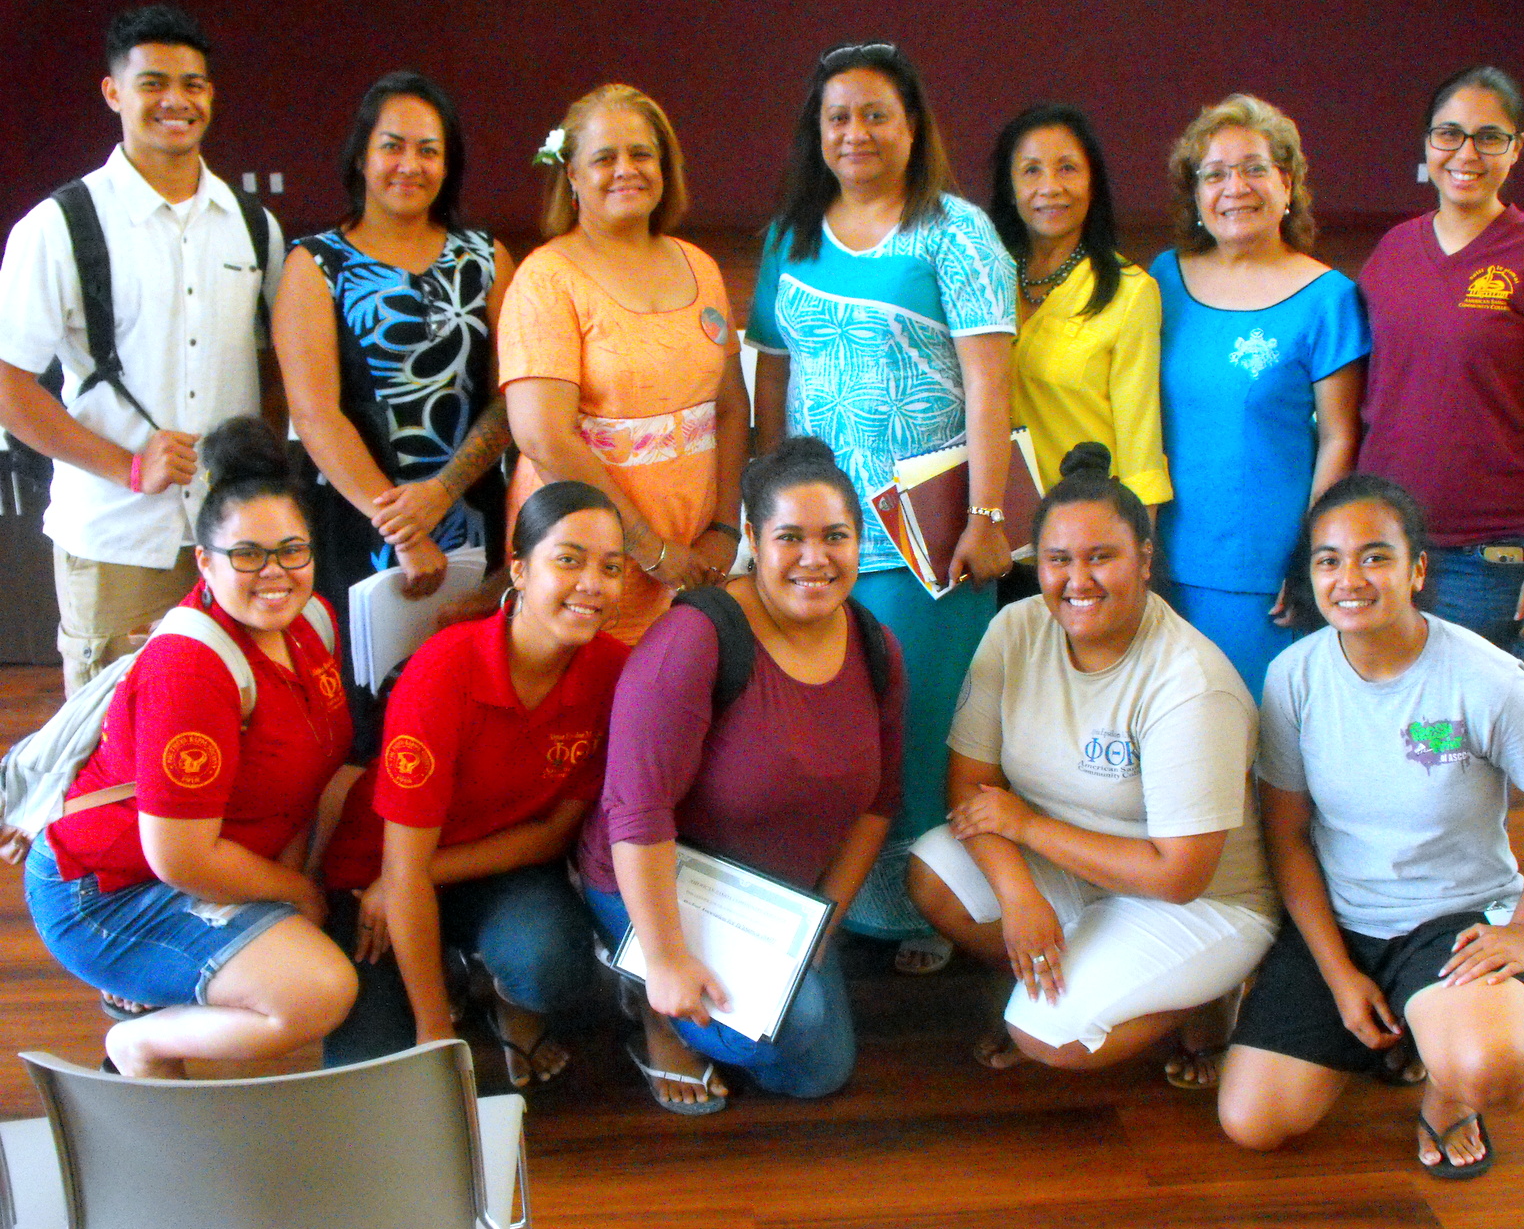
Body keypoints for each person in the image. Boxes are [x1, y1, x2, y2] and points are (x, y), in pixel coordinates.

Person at [1219, 474, 1524, 1179]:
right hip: (1344, 917)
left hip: (1450, 921)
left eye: (1375, 556)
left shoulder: (1489, 679)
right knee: (1252, 1121)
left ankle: (1446, 1092)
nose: (1349, 577)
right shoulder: (1293, 677)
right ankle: (1402, 1028)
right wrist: (1337, 974)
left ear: (1417, 569)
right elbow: (1288, 836)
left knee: (1498, 1067)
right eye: (1328, 559)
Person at [747, 42, 1016, 965]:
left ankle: (928, 910)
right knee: (826, 728)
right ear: (815, 133)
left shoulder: (956, 232)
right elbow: (771, 382)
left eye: (875, 115)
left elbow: (989, 385)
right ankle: (842, 904)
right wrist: (759, 517)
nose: (855, 133)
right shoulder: (792, 232)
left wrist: (987, 517)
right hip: (816, 543)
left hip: (926, 540)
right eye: (837, 117)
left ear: (912, 128)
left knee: (923, 722)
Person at [907, 442, 1277, 1086]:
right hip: (1075, 872)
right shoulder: (1015, 629)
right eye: (1058, 560)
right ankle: (1066, 961)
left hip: (1201, 900)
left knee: (1046, 1034)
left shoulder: (1190, 683)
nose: (1077, 581)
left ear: (1144, 559)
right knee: (932, 870)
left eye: (1101, 557)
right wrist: (1021, 897)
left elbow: (1179, 876)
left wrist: (1025, 828)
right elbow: (968, 787)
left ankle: (1208, 997)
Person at [579, 437, 906, 1112]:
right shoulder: (695, 638)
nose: (815, 559)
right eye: (791, 537)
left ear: (859, 539)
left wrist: (820, 929)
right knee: (792, 1028)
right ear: (754, 538)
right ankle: (644, 990)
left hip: (771, 896)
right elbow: (635, 809)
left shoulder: (875, 644)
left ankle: (711, 993)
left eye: (835, 536)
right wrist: (667, 957)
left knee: (819, 1071)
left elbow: (881, 802)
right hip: (661, 879)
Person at [23, 417, 357, 1078]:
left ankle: (181, 981)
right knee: (318, 989)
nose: (274, 572)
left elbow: (309, 777)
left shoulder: (310, 618)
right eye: (248, 554)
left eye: (292, 549)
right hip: (108, 888)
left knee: (352, 793)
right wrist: (296, 892)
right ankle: (141, 1043)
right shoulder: (192, 667)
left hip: (214, 851)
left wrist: (285, 894)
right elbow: (177, 855)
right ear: (204, 561)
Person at [0, 5, 285, 694]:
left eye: (194, 84)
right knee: (115, 744)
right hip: (117, 540)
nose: (176, 101)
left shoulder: (253, 227)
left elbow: (283, 364)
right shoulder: (60, 225)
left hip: (235, 538)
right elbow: (9, 385)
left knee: (235, 720)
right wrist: (129, 468)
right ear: (113, 92)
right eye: (154, 81)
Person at [317, 481, 629, 1083]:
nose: (592, 582)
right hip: (372, 875)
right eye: (568, 560)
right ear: (518, 569)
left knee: (553, 968)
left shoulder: (614, 672)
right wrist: (438, 1039)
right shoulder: (444, 671)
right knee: (370, 1072)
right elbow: (399, 862)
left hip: (487, 867)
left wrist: (411, 877)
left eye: (610, 567)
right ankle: (444, 983)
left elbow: (548, 837)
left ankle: (497, 996)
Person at [274, 71, 513, 757]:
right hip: (358, 524)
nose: (410, 165)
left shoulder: (487, 257)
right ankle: (371, 855)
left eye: (429, 150)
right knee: (365, 713)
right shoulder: (315, 264)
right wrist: (404, 528)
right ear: (361, 155)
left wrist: (440, 493)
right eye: (392, 145)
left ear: (449, 163)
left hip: (473, 512)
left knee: (471, 694)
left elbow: (511, 395)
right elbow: (316, 414)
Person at [1357, 66, 1524, 660]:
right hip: (1385, 546)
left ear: (1515, 150)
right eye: (1449, 134)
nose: (1466, 152)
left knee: (1459, 745)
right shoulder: (1392, 250)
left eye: (1490, 136)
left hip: (1487, 562)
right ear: (1427, 144)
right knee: (1389, 729)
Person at [499, 83, 748, 646]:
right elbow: (544, 436)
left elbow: (731, 407)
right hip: (589, 556)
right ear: (572, 175)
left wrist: (725, 530)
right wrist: (645, 548)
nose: (625, 170)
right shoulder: (546, 278)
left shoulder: (701, 267)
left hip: (696, 556)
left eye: (641, 154)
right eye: (604, 157)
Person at [1152, 94, 1367, 700]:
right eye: (1214, 174)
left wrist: (1313, 556)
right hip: (1162, 557)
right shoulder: (1163, 278)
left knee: (1263, 744)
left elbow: (1339, 436)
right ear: (1193, 194)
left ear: (1288, 183)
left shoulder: (1329, 299)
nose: (1234, 188)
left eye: (1253, 168)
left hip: (1269, 570)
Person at [988, 103, 1169, 607]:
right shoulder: (983, 279)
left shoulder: (1130, 291)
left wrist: (1135, 564)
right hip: (985, 541)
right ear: (1010, 187)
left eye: (1068, 168)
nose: (1050, 186)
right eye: (1031, 171)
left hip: (1079, 551)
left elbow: (1140, 445)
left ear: (1093, 182)